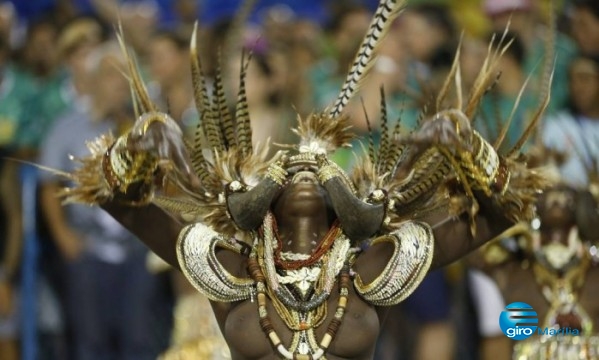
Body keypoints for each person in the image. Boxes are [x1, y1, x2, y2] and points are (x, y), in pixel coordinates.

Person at [50, 0, 552, 359]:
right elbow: (117, 200)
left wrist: (469, 146)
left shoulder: (370, 267)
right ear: (264, 200)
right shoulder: (232, 269)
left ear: (344, 201)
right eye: (290, 169)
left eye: (320, 167)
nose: (305, 167)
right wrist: (141, 143)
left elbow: (506, 212)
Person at [38, 41, 171, 360]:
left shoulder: (141, 130)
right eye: (113, 75)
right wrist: (63, 236)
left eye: (128, 76)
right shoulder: (68, 128)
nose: (121, 84)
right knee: (89, 343)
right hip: (87, 249)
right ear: (95, 78)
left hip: (137, 250)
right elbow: (47, 186)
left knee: (138, 341)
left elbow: (167, 183)